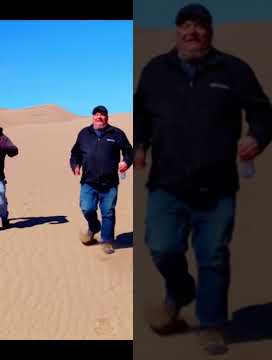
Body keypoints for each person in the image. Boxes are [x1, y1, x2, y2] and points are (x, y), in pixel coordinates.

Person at [134, 4, 272, 355]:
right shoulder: (156, 71)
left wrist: (258, 136)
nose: (192, 31)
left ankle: (211, 324)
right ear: (177, 31)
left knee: (213, 256)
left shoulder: (233, 69)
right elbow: (140, 114)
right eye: (185, 25)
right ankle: (179, 291)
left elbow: (262, 112)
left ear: (211, 31)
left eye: (199, 25)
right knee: (162, 246)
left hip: (218, 185)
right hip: (167, 183)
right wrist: (139, 145)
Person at [70, 105, 133, 254]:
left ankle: (107, 240)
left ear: (107, 117)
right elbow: (75, 153)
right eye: (96, 114)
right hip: (88, 181)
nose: (99, 117)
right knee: (87, 208)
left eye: (102, 114)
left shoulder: (116, 133)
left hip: (110, 183)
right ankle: (94, 226)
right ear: (92, 117)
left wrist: (126, 162)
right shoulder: (84, 134)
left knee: (108, 212)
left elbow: (129, 151)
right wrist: (75, 165)